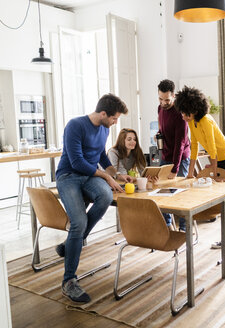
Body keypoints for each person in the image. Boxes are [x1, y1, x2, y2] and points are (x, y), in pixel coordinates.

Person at [55, 94, 129, 303]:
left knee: (105, 196)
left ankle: (71, 244)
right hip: (68, 176)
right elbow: (77, 162)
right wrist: (105, 176)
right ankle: (69, 281)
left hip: (88, 176)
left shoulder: (104, 128)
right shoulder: (75, 126)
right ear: (103, 113)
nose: (116, 123)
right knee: (78, 223)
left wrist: (115, 174)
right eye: (114, 118)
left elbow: (101, 156)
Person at [174, 86, 225, 256]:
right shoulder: (191, 123)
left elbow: (213, 148)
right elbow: (194, 146)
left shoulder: (206, 120)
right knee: (220, 198)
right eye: (182, 112)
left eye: (186, 113)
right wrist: (190, 173)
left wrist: (214, 171)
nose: (183, 116)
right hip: (217, 159)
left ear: (194, 109)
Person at [157, 79, 191, 231]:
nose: (163, 103)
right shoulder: (160, 108)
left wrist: (175, 169)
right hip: (166, 155)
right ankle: (168, 228)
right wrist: (159, 135)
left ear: (174, 96)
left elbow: (180, 143)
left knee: (180, 195)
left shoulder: (180, 113)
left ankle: (184, 230)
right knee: (162, 193)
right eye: (160, 99)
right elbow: (162, 129)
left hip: (180, 159)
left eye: (167, 100)